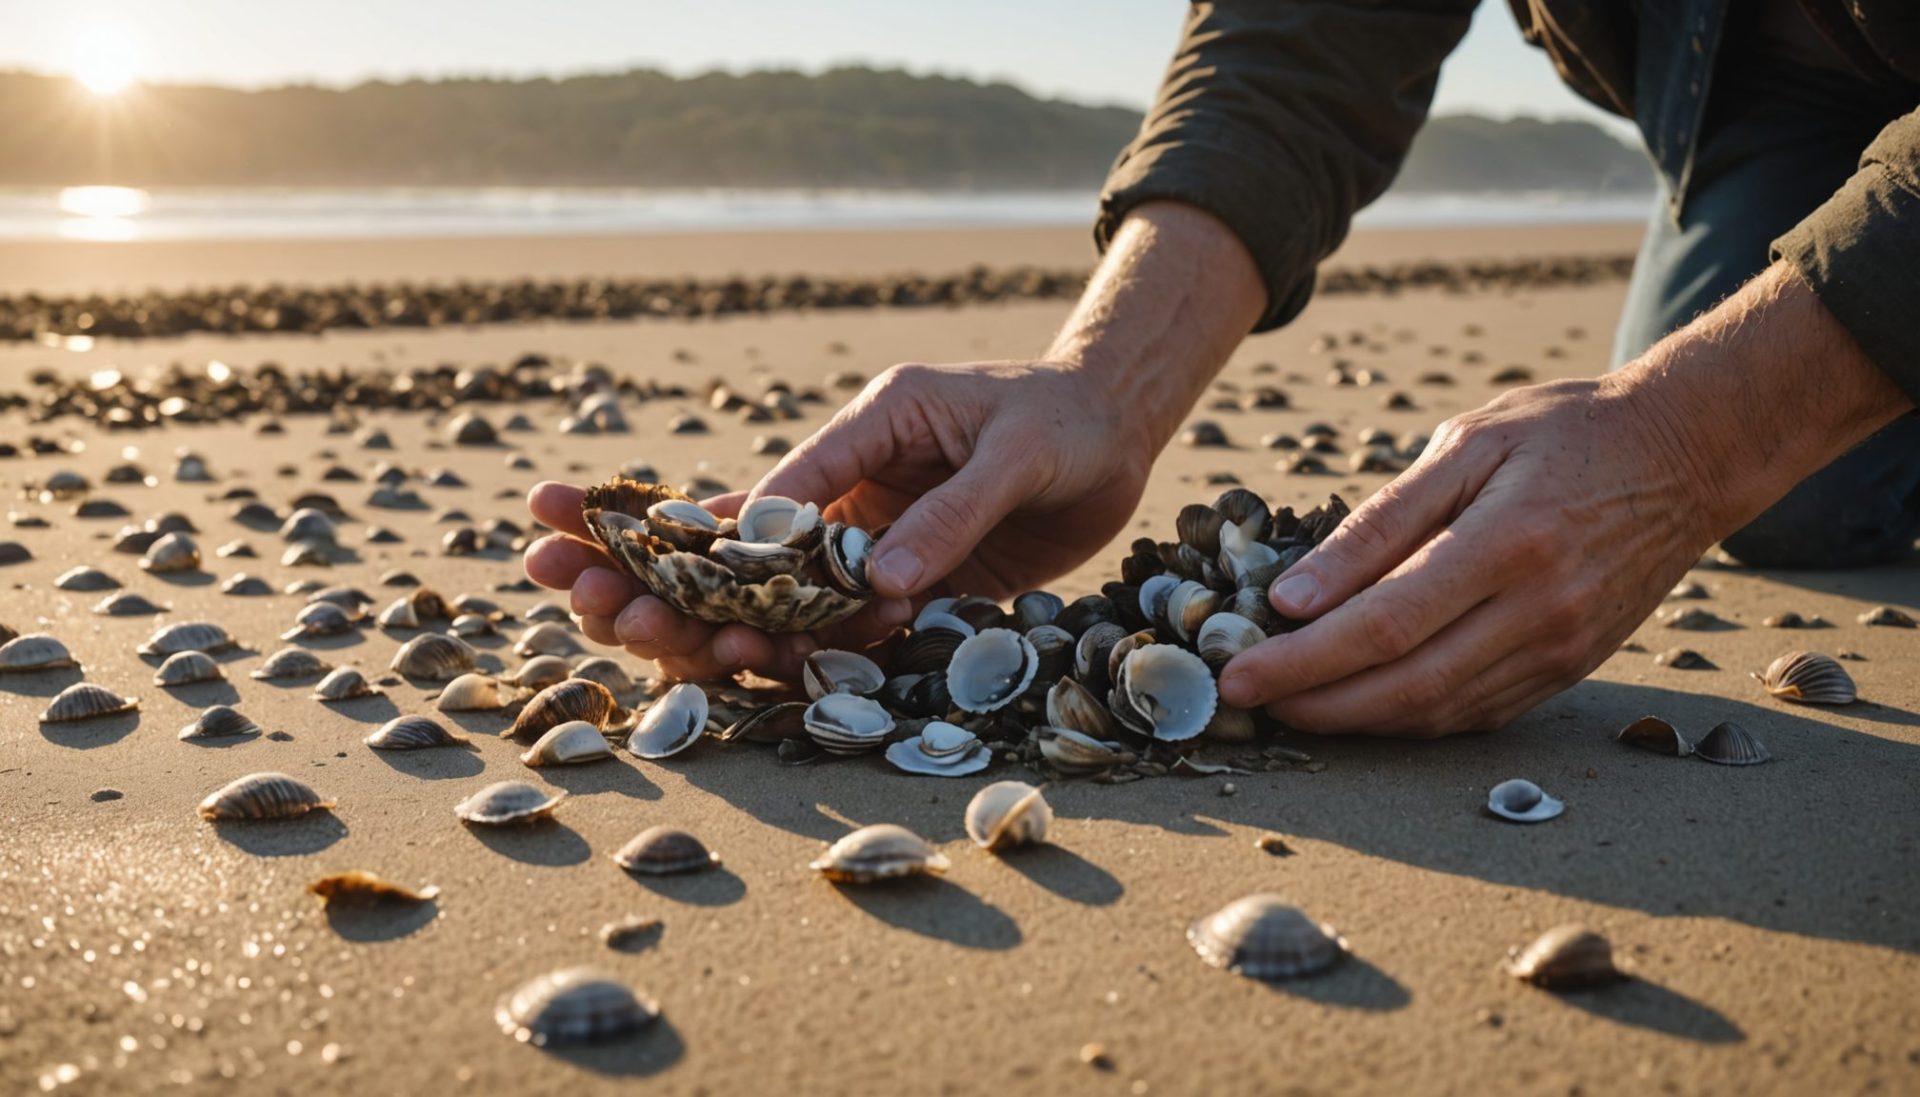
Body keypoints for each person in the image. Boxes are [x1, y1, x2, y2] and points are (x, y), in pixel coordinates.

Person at [526, 2, 1919, 737]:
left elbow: (1707, 429)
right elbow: (1308, 36)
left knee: (1772, 445)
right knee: (1804, 497)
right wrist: (1104, 385)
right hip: (1770, 64)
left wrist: (1686, 438)